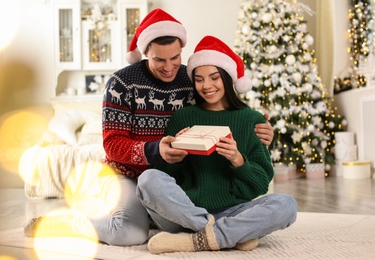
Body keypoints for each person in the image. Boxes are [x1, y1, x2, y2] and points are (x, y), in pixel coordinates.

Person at [24, 9, 274, 246]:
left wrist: (258, 125)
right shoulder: (121, 83)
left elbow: (219, 108)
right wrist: (155, 151)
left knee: (175, 215)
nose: (168, 67)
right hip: (127, 174)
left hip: (173, 178)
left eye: (175, 58)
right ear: (145, 52)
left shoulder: (192, 78)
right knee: (128, 233)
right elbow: (112, 145)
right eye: (159, 60)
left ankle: (196, 228)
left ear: (182, 50)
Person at [136, 35, 298, 254]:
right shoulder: (183, 117)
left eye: (214, 78)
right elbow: (164, 176)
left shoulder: (251, 120)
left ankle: (196, 240)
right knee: (148, 179)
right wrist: (176, 156)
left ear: (227, 77)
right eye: (199, 79)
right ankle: (229, 234)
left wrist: (239, 161)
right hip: (183, 213)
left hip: (233, 210)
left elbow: (260, 184)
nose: (207, 86)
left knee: (286, 205)